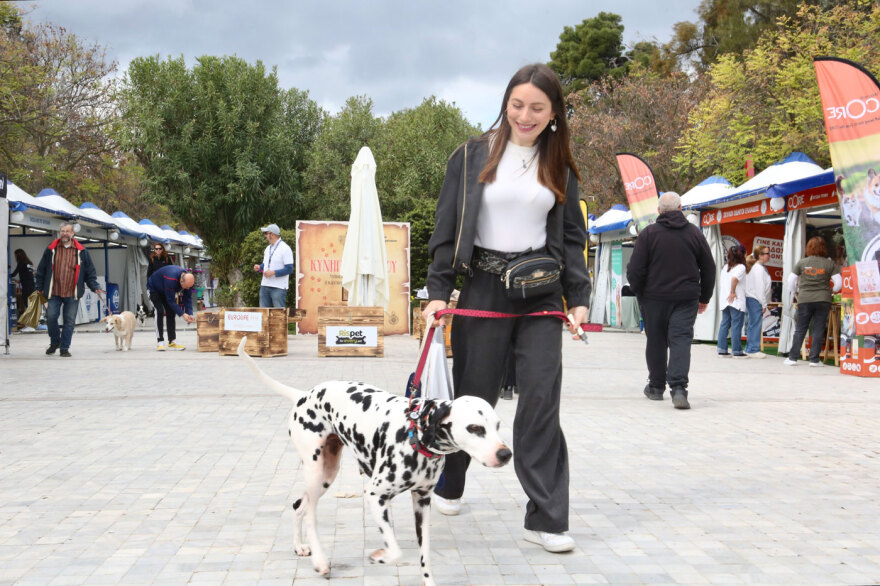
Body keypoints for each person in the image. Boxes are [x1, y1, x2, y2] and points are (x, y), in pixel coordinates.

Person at [421, 63, 590, 553]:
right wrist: (437, 290)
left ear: (554, 113)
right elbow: (446, 227)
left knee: (540, 402)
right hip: (483, 290)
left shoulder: (559, 165)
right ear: (506, 104)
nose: (526, 115)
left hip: (540, 291)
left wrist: (577, 298)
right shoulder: (471, 155)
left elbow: (573, 240)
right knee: (472, 397)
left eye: (538, 107)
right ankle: (450, 483)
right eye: (518, 104)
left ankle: (547, 516)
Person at [626, 192, 716, 410]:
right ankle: (678, 389)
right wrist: (704, 297)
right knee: (681, 340)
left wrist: (640, 292)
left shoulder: (648, 234)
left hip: (654, 298)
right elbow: (709, 267)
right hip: (686, 299)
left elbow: (635, 269)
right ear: (681, 208)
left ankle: (656, 388)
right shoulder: (695, 234)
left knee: (656, 340)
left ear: (659, 211)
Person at [34, 222, 103, 357]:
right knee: (50, 317)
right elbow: (41, 269)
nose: (64, 233)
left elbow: (90, 272)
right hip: (54, 291)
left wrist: (95, 287)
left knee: (69, 321)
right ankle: (55, 342)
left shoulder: (82, 251)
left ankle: (64, 348)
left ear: (72, 233)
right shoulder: (51, 249)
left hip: (72, 293)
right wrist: (39, 287)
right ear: (60, 233)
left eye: (67, 231)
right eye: (62, 231)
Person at [784, 236, 841, 366]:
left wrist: (796, 292)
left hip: (804, 299)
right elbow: (839, 283)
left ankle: (792, 358)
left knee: (800, 329)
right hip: (823, 299)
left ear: (808, 248)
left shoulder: (802, 262)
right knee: (818, 329)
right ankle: (814, 360)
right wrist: (832, 292)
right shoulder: (829, 264)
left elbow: (790, 281)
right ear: (823, 249)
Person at [147, 264, 195, 351]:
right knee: (160, 311)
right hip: (154, 289)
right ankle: (160, 341)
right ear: (181, 281)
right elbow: (171, 301)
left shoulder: (188, 281)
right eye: (187, 287)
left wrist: (189, 314)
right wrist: (182, 314)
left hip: (166, 289)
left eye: (190, 287)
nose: (188, 289)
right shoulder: (171, 279)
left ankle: (172, 341)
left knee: (171, 312)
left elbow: (187, 299)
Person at [253, 223, 294, 308]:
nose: (265, 236)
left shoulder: (286, 248)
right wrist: (259, 268)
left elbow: (289, 269)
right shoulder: (268, 248)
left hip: (278, 287)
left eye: (266, 233)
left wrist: (273, 272)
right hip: (265, 285)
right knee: (264, 315)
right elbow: (266, 265)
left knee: (279, 316)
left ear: (272, 235)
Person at [717, 245, 748, 358]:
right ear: (742, 255)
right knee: (736, 325)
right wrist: (733, 291)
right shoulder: (741, 267)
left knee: (725, 324)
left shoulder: (725, 267)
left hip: (725, 300)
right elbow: (735, 279)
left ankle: (721, 349)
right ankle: (736, 350)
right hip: (736, 300)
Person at [743, 245, 772, 358]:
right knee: (755, 324)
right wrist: (764, 303)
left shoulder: (755, 267)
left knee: (753, 323)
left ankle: (750, 348)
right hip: (756, 299)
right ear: (760, 255)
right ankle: (753, 349)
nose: (769, 256)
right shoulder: (758, 268)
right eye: (767, 253)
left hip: (753, 298)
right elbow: (760, 288)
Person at [11, 249, 35, 325]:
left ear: (18, 255)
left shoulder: (21, 262)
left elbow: (14, 274)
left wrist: (5, 273)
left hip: (26, 287)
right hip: (32, 286)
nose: (15, 257)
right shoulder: (29, 262)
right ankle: (30, 324)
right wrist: (20, 281)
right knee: (30, 305)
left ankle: (30, 325)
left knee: (27, 305)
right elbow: (30, 275)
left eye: (15, 255)